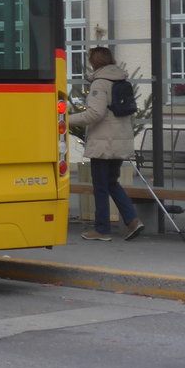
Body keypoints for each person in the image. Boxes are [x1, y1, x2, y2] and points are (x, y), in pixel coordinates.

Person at [69, 46, 144, 241]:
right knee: (111, 182)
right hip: (120, 141)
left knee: (101, 186)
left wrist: (64, 119)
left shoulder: (100, 83)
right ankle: (132, 220)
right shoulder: (121, 80)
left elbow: (94, 113)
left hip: (103, 143)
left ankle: (102, 230)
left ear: (94, 62)